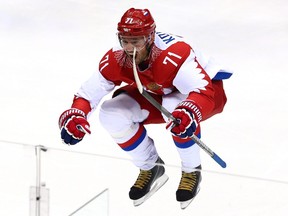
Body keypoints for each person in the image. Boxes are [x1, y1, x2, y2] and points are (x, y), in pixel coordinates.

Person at [58, 8, 232, 208]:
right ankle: (151, 167)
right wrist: (77, 113)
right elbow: (87, 94)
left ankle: (192, 170)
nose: (130, 48)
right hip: (158, 89)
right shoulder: (116, 58)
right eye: (125, 41)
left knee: (174, 105)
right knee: (111, 113)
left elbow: (202, 91)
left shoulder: (173, 55)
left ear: (150, 38)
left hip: (208, 94)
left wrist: (191, 111)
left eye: (136, 42)